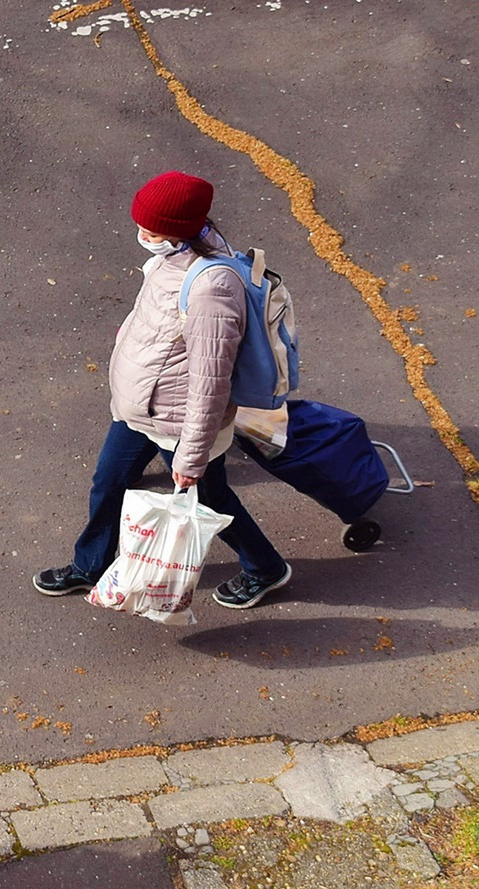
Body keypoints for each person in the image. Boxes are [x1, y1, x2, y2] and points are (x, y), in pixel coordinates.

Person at [34, 170, 292, 609]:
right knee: (108, 482)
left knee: (211, 499)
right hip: (142, 410)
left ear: (177, 230)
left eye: (150, 229)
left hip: (177, 422)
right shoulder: (176, 256)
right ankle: (89, 564)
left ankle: (266, 567)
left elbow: (210, 383)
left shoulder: (212, 286)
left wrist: (191, 458)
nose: (141, 235)